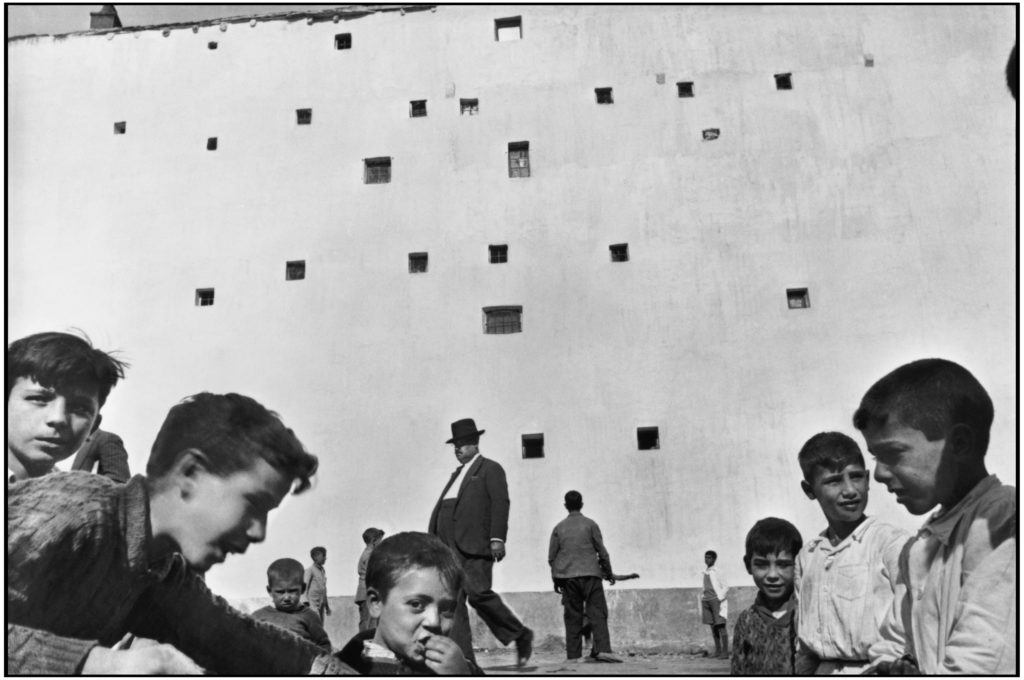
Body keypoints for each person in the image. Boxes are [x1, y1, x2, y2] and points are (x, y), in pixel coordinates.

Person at [7, 392, 351, 675]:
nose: (258, 532)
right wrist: (105, 663)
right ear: (190, 473)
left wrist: (325, 666)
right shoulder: (70, 509)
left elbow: (231, 636)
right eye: (253, 504)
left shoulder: (163, 571)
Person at [853, 358, 1016, 675]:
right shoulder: (921, 545)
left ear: (958, 444)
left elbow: (985, 658)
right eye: (876, 457)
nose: (879, 474)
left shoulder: (1001, 517)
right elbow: (895, 638)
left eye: (893, 453)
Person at [793, 431, 909, 674]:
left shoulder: (891, 544)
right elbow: (804, 643)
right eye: (834, 481)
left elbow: (912, 626)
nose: (850, 490)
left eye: (856, 477)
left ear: (868, 479)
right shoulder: (808, 556)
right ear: (809, 490)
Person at [427, 417, 534, 666]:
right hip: (448, 549)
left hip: (473, 546)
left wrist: (497, 538)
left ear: (475, 443)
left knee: (478, 593)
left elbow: (500, 503)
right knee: (452, 603)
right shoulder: (457, 474)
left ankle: (519, 634)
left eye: (462, 444)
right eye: (455, 445)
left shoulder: (489, 468)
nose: (458, 449)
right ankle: (464, 658)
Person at [337, 531, 483, 675]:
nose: (434, 622)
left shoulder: (460, 668)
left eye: (447, 609)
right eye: (416, 604)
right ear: (376, 602)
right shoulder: (339, 670)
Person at [7, 331, 127, 483]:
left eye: (80, 409)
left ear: (94, 426)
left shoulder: (73, 499)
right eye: (38, 399)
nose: (58, 418)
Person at [549, 490, 622, 663]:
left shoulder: (559, 528)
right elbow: (602, 552)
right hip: (591, 575)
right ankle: (603, 649)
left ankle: (573, 655)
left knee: (572, 616)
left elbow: (552, 557)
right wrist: (608, 573)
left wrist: (556, 580)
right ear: (581, 504)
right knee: (597, 612)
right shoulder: (591, 525)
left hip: (568, 578)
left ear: (565, 506)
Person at [730, 517, 802, 675]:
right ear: (748, 565)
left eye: (783, 564)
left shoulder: (806, 617)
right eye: (762, 564)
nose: (772, 575)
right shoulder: (747, 621)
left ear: (798, 565)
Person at [251, 557, 333, 652]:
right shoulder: (258, 617)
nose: (286, 598)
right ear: (270, 591)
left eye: (292, 591)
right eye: (280, 592)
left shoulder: (310, 617)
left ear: (302, 589)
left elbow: (323, 646)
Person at [356, 527, 386, 632]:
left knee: (371, 623)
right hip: (367, 592)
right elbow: (373, 574)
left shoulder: (368, 554)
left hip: (367, 592)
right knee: (368, 625)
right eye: (380, 541)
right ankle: (363, 647)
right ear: (374, 541)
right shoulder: (370, 555)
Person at [701, 550, 729, 659]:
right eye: (705, 557)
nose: (707, 559)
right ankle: (718, 651)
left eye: (709, 558)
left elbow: (726, 586)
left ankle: (725, 652)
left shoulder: (718, 571)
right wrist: (703, 597)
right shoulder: (705, 572)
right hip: (706, 601)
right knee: (713, 627)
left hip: (715, 600)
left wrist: (719, 598)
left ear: (714, 559)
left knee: (721, 625)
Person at [304, 546, 332, 622]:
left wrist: (327, 607)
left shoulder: (322, 571)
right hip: (312, 605)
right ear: (316, 557)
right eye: (324, 556)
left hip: (321, 605)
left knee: (320, 626)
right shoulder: (310, 570)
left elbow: (324, 590)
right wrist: (305, 603)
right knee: (315, 625)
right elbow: (304, 587)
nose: (325, 558)